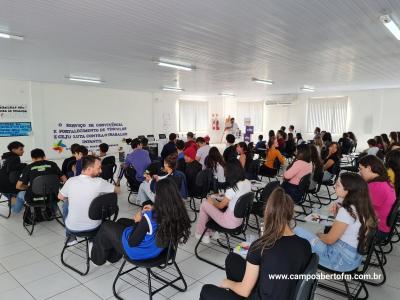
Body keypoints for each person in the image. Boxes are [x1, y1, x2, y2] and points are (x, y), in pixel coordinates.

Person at [200, 188, 311, 300]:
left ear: (267, 213)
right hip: (281, 292)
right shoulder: (305, 245)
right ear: (291, 214)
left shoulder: (260, 247)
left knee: (207, 290)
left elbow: (245, 291)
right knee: (232, 259)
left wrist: (227, 283)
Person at [91, 178, 191, 265]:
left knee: (106, 226)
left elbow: (132, 242)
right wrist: (154, 208)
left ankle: (97, 260)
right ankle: (113, 257)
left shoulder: (149, 217)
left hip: (141, 253)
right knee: (121, 221)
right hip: (159, 249)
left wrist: (138, 221)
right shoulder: (177, 210)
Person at [295, 173, 376, 272]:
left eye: (338, 185)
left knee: (297, 231)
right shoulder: (362, 205)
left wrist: (318, 235)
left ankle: (294, 267)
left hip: (339, 260)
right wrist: (337, 215)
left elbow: (329, 240)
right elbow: (347, 229)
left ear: (348, 190)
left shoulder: (347, 210)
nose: (334, 186)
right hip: (353, 258)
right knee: (306, 236)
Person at [58, 155, 120, 245]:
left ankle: (71, 237)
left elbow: (60, 197)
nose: (101, 171)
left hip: (72, 228)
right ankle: (93, 241)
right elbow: (117, 190)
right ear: (89, 169)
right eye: (99, 168)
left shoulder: (71, 181)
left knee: (66, 203)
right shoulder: (99, 182)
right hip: (93, 228)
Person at [195, 161, 251, 244]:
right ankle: (213, 232)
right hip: (240, 221)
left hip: (228, 222)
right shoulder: (247, 182)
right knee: (211, 205)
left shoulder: (233, 189)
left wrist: (212, 201)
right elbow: (236, 200)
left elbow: (221, 206)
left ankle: (202, 233)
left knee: (204, 204)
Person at [13, 148, 67, 213]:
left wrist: (29, 187)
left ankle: (15, 210)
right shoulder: (53, 164)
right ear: (44, 157)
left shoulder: (28, 168)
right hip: (52, 197)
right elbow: (64, 178)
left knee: (20, 194)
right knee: (51, 193)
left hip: (33, 199)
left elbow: (18, 186)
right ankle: (53, 211)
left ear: (32, 159)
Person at [359, 155, 396, 242]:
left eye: (361, 169)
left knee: (335, 226)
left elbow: (360, 209)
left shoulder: (375, 186)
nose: (360, 172)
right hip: (384, 228)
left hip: (376, 231)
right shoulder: (384, 181)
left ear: (368, 168)